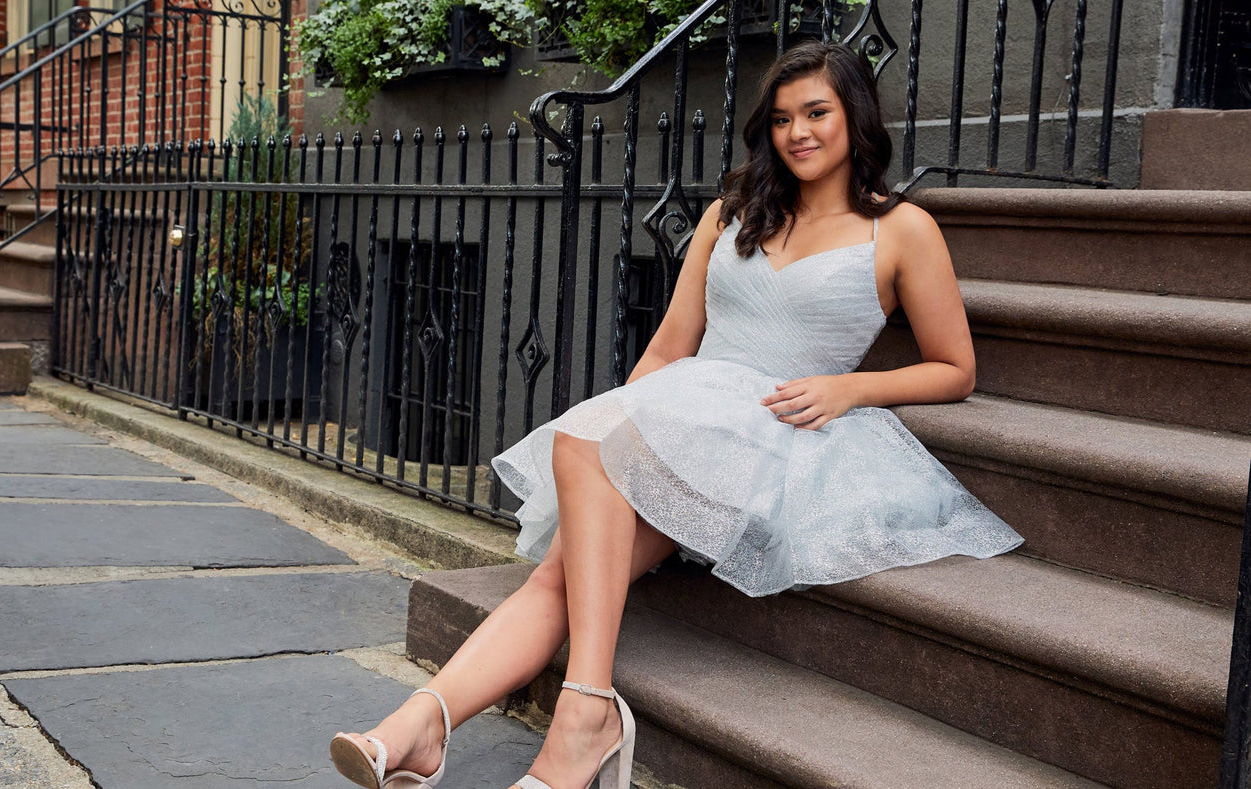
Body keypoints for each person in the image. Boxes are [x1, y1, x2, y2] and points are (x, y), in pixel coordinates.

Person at [328, 39, 1023, 789]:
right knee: (564, 547)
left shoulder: (901, 230)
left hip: (773, 428)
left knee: (572, 516)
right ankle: (427, 724)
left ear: (856, 116)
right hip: (689, 410)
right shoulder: (734, 214)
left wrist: (849, 389)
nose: (799, 132)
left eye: (817, 112)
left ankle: (567, 721)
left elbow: (956, 369)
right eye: (783, 118)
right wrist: (625, 422)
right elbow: (666, 349)